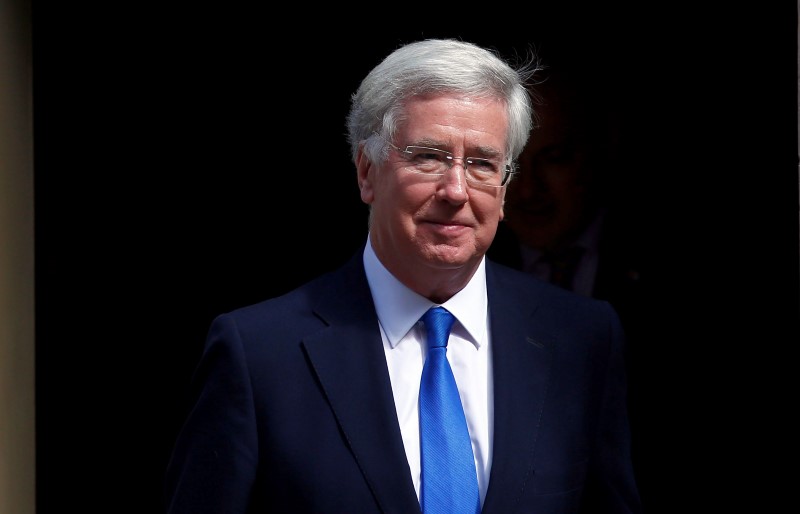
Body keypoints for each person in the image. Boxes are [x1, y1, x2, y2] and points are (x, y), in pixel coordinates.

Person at [164, 38, 642, 513]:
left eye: (481, 163)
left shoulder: (582, 339)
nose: (456, 190)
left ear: (503, 185)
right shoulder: (259, 354)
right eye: (428, 157)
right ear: (366, 172)